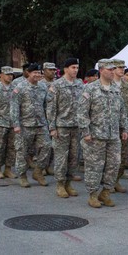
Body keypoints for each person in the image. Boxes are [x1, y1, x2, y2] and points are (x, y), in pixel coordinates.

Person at [77, 59, 128, 208]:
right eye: (109, 69)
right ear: (101, 70)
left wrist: (125, 128)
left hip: (113, 135)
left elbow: (122, 111)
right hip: (95, 136)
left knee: (114, 164)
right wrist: (86, 131)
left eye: (114, 69)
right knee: (94, 166)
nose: (113, 72)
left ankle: (105, 192)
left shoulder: (115, 89)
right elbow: (82, 113)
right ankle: (93, 194)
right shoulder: (90, 89)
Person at [46, 58, 83, 198]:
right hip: (61, 126)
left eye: (77, 67)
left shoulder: (80, 85)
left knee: (74, 157)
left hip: (76, 126)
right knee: (61, 157)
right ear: (66, 69)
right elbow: (51, 108)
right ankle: (60, 184)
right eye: (73, 67)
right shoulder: (57, 85)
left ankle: (69, 183)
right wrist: (52, 127)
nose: (75, 70)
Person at [11, 63, 52, 188]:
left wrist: (50, 123)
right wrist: (16, 124)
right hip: (24, 125)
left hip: (41, 124)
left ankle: (38, 171)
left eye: (39, 73)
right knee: (22, 151)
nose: (37, 75)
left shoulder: (43, 87)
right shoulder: (20, 87)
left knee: (47, 147)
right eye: (35, 73)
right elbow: (14, 107)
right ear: (28, 73)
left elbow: (47, 105)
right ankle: (22, 176)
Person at [112, 59, 128, 194]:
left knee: (123, 157)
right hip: (107, 128)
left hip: (123, 127)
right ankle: (107, 183)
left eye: (123, 67)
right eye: (119, 67)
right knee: (109, 158)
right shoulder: (106, 85)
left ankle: (116, 180)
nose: (122, 70)